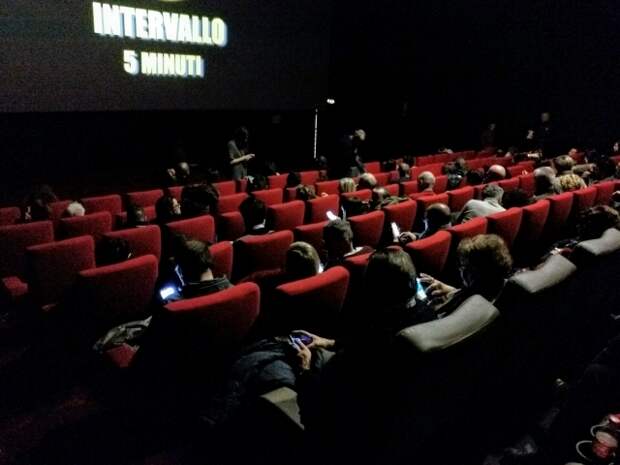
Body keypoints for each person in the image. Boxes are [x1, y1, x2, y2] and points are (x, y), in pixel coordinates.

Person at [295, 248, 435, 464]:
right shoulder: (428, 314)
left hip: (359, 436)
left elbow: (316, 406)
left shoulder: (363, 353)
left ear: (374, 289)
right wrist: (331, 342)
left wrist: (304, 369)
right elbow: (369, 341)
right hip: (411, 424)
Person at [421, 234, 514, 311]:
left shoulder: (474, 309)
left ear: (487, 272)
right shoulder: (504, 287)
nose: (462, 271)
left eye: (466, 267)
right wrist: (451, 290)